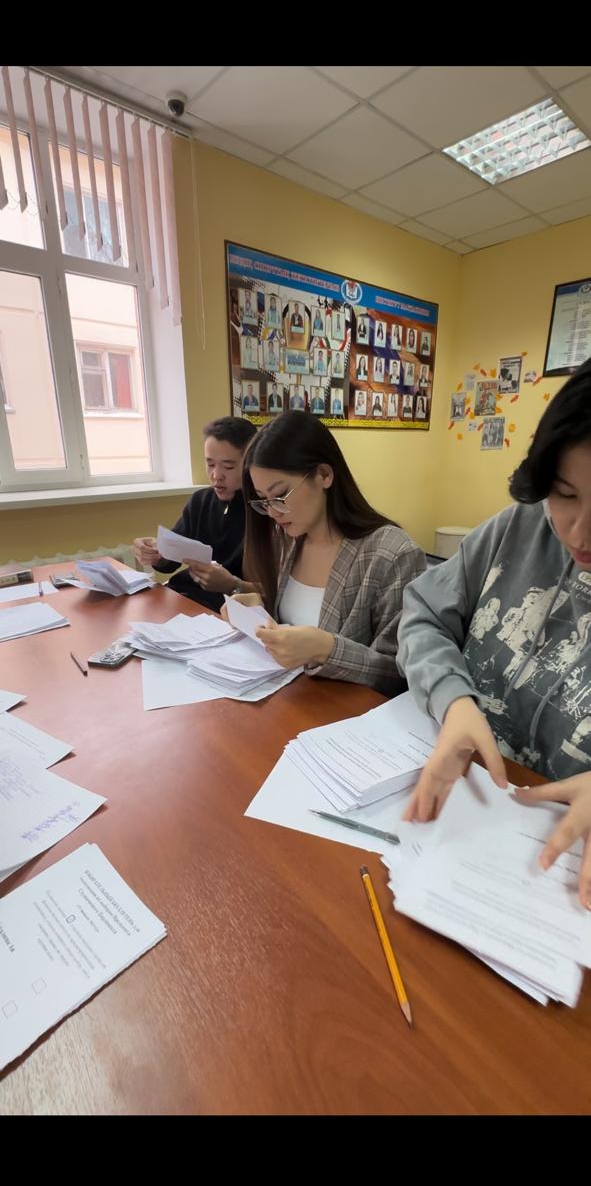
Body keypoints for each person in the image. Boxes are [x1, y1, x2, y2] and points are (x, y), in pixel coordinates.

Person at [397, 359, 591, 906]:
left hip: (556, 879)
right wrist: (455, 703)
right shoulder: (521, 525)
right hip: (458, 818)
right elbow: (423, 611)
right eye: (566, 494)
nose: (580, 533)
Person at [225, 411, 426, 695]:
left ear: (324, 475)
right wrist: (260, 608)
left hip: (347, 712)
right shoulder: (289, 539)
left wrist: (326, 649)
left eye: (280, 495)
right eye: (263, 500)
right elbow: (295, 623)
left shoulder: (392, 554)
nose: (272, 512)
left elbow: (401, 674)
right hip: (291, 699)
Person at [133, 417, 257, 612]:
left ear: (250, 464)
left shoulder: (265, 509)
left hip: (226, 610)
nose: (216, 475)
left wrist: (232, 584)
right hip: (183, 596)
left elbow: (275, 591)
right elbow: (169, 562)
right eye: (210, 464)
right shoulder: (201, 500)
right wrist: (157, 554)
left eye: (228, 466)